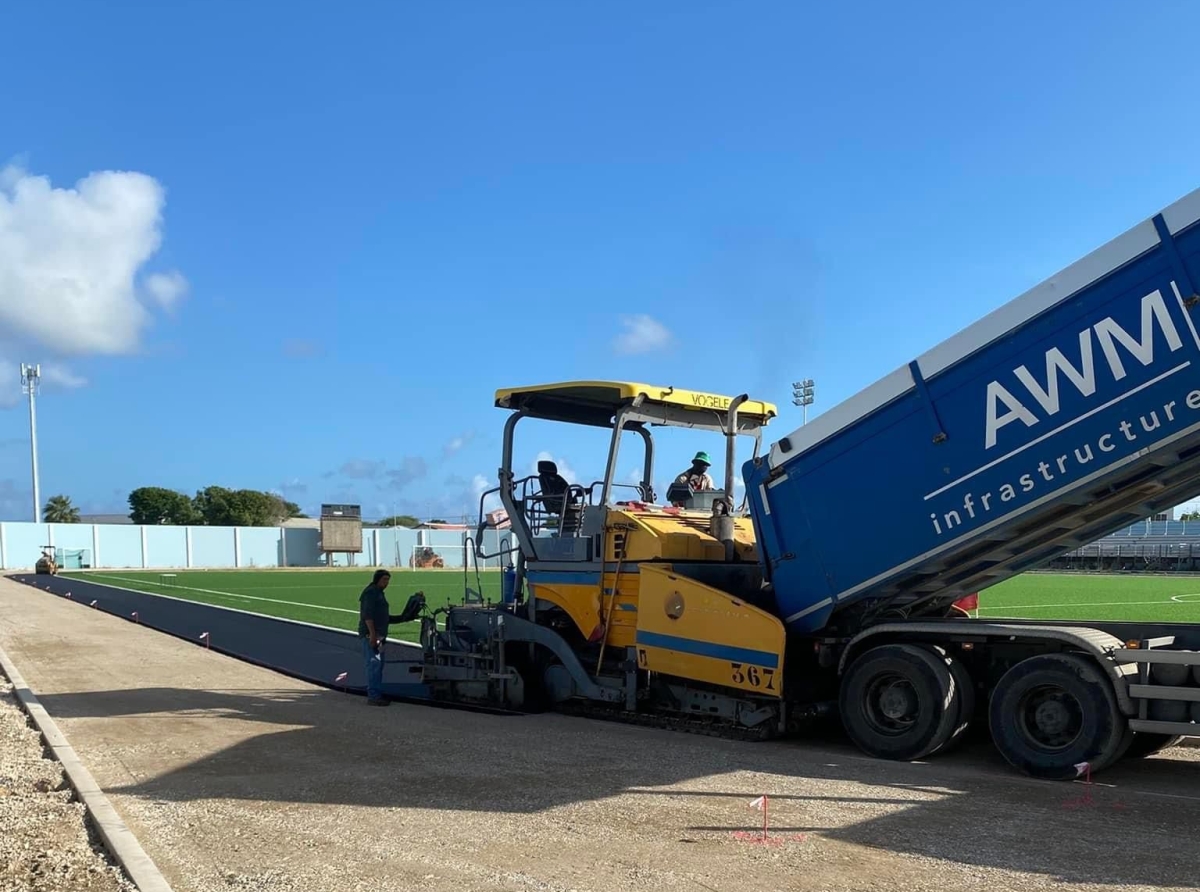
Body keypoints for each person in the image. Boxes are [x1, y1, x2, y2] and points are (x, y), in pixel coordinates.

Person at [358, 569, 405, 707]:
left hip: (378, 635)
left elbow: (383, 617)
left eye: (388, 580)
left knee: (377, 666)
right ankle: (373, 696)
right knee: (374, 665)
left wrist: (403, 617)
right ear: (377, 579)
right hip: (371, 635)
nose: (387, 583)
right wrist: (372, 634)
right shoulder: (371, 593)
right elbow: (367, 615)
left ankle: (376, 693)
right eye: (384, 579)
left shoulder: (378, 593)